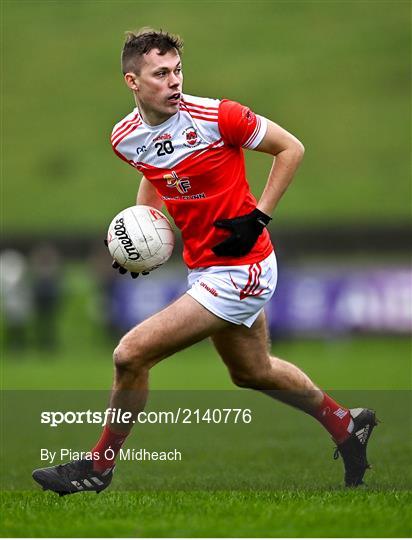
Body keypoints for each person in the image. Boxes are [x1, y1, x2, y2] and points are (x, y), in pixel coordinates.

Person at [32, 28, 376, 495]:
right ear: (133, 82)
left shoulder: (218, 116)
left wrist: (258, 218)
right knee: (252, 372)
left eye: (177, 71)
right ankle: (345, 423)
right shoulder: (125, 137)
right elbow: (153, 175)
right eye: (161, 73)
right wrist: (142, 234)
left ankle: (99, 465)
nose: (174, 81)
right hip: (205, 267)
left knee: (129, 355)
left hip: (244, 267)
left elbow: (290, 148)